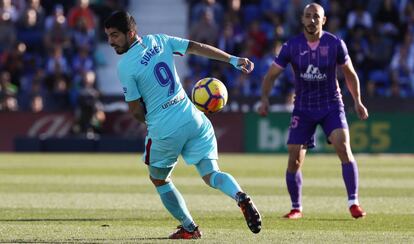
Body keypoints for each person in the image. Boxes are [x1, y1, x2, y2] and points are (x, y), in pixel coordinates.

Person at [104, 11, 261, 239]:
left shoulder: (125, 65)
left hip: (165, 128)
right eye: (108, 36)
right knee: (212, 174)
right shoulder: (160, 40)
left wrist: (151, 121)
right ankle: (239, 196)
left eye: (115, 36)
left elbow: (136, 110)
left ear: (131, 33)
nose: (111, 42)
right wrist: (232, 60)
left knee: (159, 178)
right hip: (194, 118)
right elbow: (196, 46)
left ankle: (189, 227)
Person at [258, 3, 369, 219]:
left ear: (323, 20)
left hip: (331, 105)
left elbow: (350, 73)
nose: (312, 21)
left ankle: (353, 203)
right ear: (302, 20)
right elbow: (271, 75)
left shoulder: (336, 43)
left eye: (316, 17)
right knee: (294, 159)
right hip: (303, 108)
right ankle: (296, 207)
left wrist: (358, 101)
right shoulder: (291, 46)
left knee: (343, 147)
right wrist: (264, 99)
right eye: (308, 16)